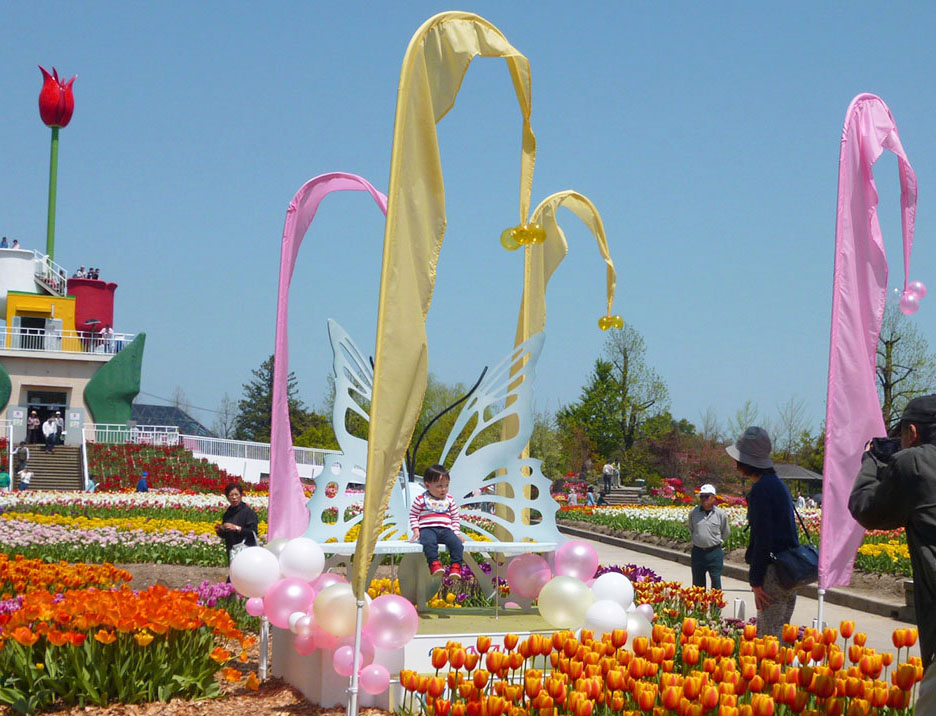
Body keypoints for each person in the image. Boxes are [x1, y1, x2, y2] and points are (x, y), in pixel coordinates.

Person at [849, 394, 936, 709]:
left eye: (901, 435)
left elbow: (866, 508)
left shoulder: (914, 463)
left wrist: (873, 461)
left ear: (912, 432)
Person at [727, 426, 799, 638]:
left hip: (772, 573)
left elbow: (763, 538)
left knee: (768, 639)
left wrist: (756, 581)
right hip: (789, 573)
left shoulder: (761, 490)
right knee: (781, 635)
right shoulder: (779, 485)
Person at [409, 464, 466, 578]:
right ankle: (434, 564)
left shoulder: (449, 500)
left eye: (446, 485)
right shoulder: (421, 499)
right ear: (427, 485)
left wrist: (456, 532)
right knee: (428, 543)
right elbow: (413, 515)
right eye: (439, 486)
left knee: (457, 544)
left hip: (446, 530)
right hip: (428, 529)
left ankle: (456, 566)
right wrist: (416, 530)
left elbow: (455, 517)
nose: (443, 489)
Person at [688, 483, 731, 590]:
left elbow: (725, 532)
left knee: (716, 583)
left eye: (706, 496)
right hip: (698, 552)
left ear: (713, 497)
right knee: (697, 584)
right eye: (701, 496)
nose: (703, 499)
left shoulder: (720, 514)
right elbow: (691, 529)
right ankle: (700, 601)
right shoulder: (693, 513)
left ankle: (715, 602)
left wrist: (716, 541)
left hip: (714, 552)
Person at [214, 483, 259, 564]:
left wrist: (237, 528)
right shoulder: (227, 513)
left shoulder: (248, 512)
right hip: (232, 551)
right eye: (231, 495)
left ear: (241, 495)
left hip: (246, 550)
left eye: (236, 494)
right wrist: (220, 530)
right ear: (227, 497)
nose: (234, 497)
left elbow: (253, 532)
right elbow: (226, 535)